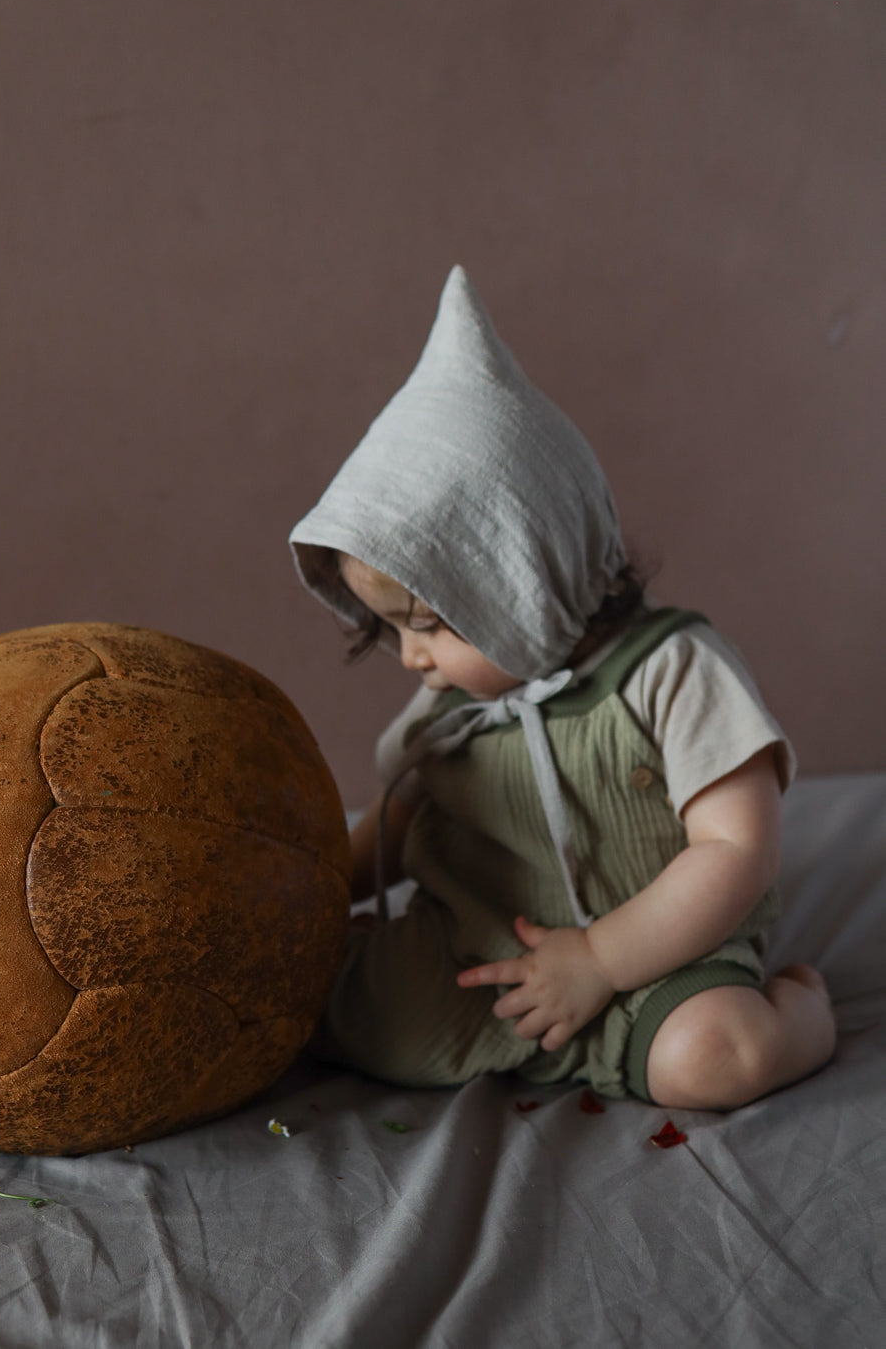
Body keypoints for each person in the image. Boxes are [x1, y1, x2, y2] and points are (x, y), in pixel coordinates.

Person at [289, 266, 836, 1109]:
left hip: (656, 963)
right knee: (304, 1006)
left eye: (431, 625)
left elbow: (736, 850)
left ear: (522, 582)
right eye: (388, 630)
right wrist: (313, 901)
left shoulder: (672, 669)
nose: (410, 658)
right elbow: (392, 830)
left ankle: (799, 1014)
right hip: (485, 963)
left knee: (715, 1058)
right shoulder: (450, 719)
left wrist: (599, 961)